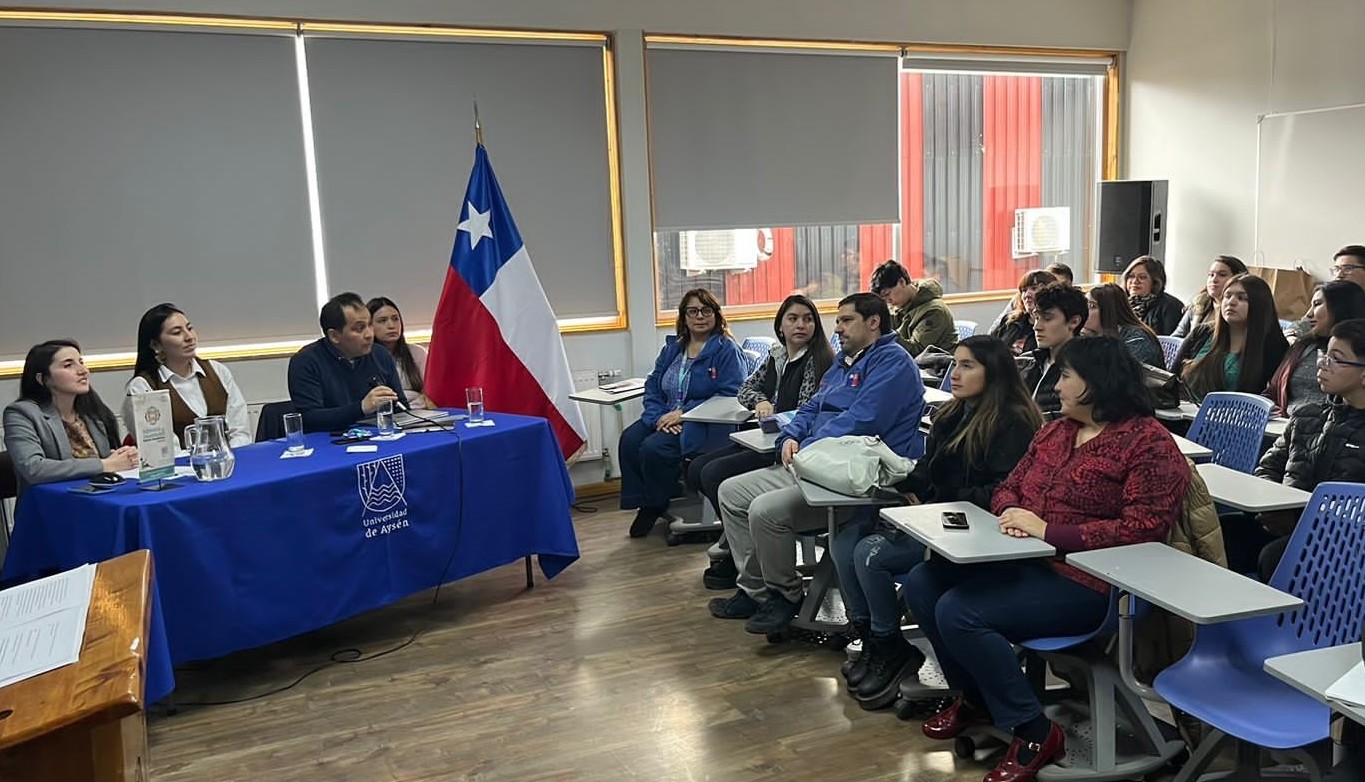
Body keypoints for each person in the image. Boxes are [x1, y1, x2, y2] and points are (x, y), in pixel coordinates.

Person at [905, 336, 1189, 782]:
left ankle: (1034, 729)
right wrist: (1012, 514)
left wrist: (1049, 532)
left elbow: (1143, 530)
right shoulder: (1057, 431)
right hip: (1023, 559)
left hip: (1093, 582)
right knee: (923, 583)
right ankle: (976, 695)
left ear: (1097, 382)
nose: (1056, 386)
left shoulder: (1148, 444)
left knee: (959, 611)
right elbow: (1008, 487)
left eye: (1066, 376)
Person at [834, 336, 1043, 710]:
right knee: (845, 541)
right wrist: (905, 486)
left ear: (993, 372)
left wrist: (937, 503)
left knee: (871, 554)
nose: (954, 374)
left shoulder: (1014, 423)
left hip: (976, 535)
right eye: (955, 364)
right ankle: (873, 640)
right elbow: (928, 470)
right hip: (938, 521)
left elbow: (1002, 492)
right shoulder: (951, 413)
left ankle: (890, 643)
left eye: (967, 366)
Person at [709, 293, 924, 635]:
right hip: (816, 464)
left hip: (855, 477)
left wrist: (806, 446)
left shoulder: (893, 364)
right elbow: (811, 407)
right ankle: (757, 591)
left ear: (873, 323)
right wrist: (791, 435)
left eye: (845, 320)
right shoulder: (845, 361)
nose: (836, 328)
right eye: (837, 321)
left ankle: (785, 594)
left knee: (765, 511)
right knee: (731, 493)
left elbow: (862, 420)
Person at [690, 295, 834, 590]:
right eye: (793, 318)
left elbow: (807, 412)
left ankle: (737, 550)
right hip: (766, 435)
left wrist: (780, 419)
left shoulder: (819, 360)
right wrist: (763, 400)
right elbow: (746, 388)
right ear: (780, 324)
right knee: (697, 468)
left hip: (787, 447)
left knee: (714, 473)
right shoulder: (777, 354)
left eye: (808, 319)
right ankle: (734, 539)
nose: (801, 325)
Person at [620, 288, 745, 538]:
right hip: (664, 415)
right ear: (684, 317)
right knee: (630, 440)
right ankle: (647, 497)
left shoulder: (727, 351)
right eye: (692, 311)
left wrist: (683, 414)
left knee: (654, 449)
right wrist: (658, 418)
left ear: (716, 315)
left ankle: (653, 504)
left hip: (702, 423)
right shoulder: (672, 349)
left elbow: (730, 394)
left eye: (706, 310)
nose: (699, 316)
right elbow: (653, 386)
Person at [1254, 319, 1365, 579]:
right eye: (1324, 355)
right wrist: (1272, 509)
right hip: (1286, 523)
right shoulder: (1308, 415)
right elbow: (1267, 468)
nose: (1322, 365)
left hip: (1341, 541)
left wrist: (1300, 523)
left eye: (1335, 359)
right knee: (1223, 534)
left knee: (1275, 557)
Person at [3, 340, 138, 496]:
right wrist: (105, 464)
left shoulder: (91, 411)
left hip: (100, 496)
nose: (83, 370)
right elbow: (34, 468)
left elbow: (106, 457)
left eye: (81, 362)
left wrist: (123, 456)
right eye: (68, 365)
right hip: (53, 505)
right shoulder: (21, 413)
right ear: (43, 379)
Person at [122, 303, 251, 449]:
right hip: (180, 468)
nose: (189, 337)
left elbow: (240, 431)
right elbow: (163, 449)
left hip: (228, 462)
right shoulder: (143, 387)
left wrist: (232, 456)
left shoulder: (217, 371)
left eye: (189, 328)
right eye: (177, 332)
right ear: (156, 345)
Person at [287, 292, 403, 433]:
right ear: (335, 336)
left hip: (379, 437)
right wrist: (361, 408)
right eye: (359, 328)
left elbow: (401, 407)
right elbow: (310, 419)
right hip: (329, 444)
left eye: (369, 325)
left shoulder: (380, 354)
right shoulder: (306, 362)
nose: (369, 334)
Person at [1175, 273, 1290, 401]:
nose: (1231, 302)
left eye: (1242, 298)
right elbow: (1173, 376)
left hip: (1237, 417)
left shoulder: (1275, 347)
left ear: (1259, 305)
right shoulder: (1201, 333)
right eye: (1227, 296)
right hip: (1184, 414)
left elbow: (1272, 396)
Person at [1264, 282, 1365, 415]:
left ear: (1340, 307)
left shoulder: (1356, 353)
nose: (1309, 314)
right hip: (1286, 422)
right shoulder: (1304, 346)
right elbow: (1273, 390)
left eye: (1317, 304)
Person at [1021, 282, 1088, 416]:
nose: (1037, 327)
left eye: (1047, 318)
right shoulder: (1028, 361)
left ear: (1074, 322)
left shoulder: (1085, 368)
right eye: (1037, 318)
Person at [868, 260, 958, 356]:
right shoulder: (898, 305)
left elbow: (917, 351)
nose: (887, 301)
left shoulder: (934, 311)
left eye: (887, 294)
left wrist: (884, 331)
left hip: (936, 366)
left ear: (902, 282)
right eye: (883, 298)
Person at [367, 297, 428, 410]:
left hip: (420, 414)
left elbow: (430, 395)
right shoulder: (364, 357)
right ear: (369, 326)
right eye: (382, 320)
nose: (391, 325)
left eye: (395, 319)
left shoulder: (417, 352)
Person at [1083, 283, 1163, 367]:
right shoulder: (1095, 335)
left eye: (1091, 306)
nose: (1084, 310)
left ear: (1110, 311)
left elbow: (1118, 377)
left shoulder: (1138, 340)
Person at [1172, 256, 1249, 339]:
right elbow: (1175, 338)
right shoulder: (1198, 304)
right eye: (1211, 275)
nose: (1214, 280)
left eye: (1222, 275)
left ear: (1237, 278)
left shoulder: (1241, 308)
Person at [989, 270, 1059, 356]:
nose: (1027, 295)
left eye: (1034, 288)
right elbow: (990, 347)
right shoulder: (1010, 321)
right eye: (1024, 290)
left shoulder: (1052, 327)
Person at [1124, 255, 1184, 335]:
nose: (1135, 281)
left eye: (1142, 277)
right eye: (1131, 276)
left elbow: (1170, 342)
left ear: (1155, 282)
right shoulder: (1122, 303)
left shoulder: (1171, 306)